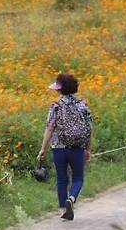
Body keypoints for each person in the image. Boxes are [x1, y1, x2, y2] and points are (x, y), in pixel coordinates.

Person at [37, 73, 93, 221]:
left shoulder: (55, 106)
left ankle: (64, 209)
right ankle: (72, 199)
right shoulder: (83, 105)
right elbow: (89, 128)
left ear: (59, 90)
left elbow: (49, 128)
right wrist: (88, 149)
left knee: (62, 179)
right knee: (78, 178)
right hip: (78, 147)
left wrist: (43, 149)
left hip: (59, 148)